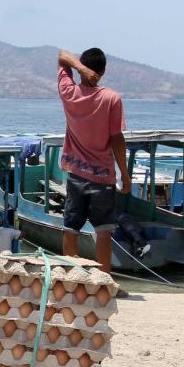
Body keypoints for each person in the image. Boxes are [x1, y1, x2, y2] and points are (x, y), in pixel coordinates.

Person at [57, 47, 131, 274]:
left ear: (84, 69)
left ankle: (69, 277)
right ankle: (104, 281)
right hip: (102, 176)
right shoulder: (112, 99)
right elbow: (116, 139)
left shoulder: (69, 92)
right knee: (104, 231)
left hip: (76, 174)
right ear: (104, 71)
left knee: (71, 228)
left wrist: (79, 68)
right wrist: (124, 175)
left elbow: (62, 56)